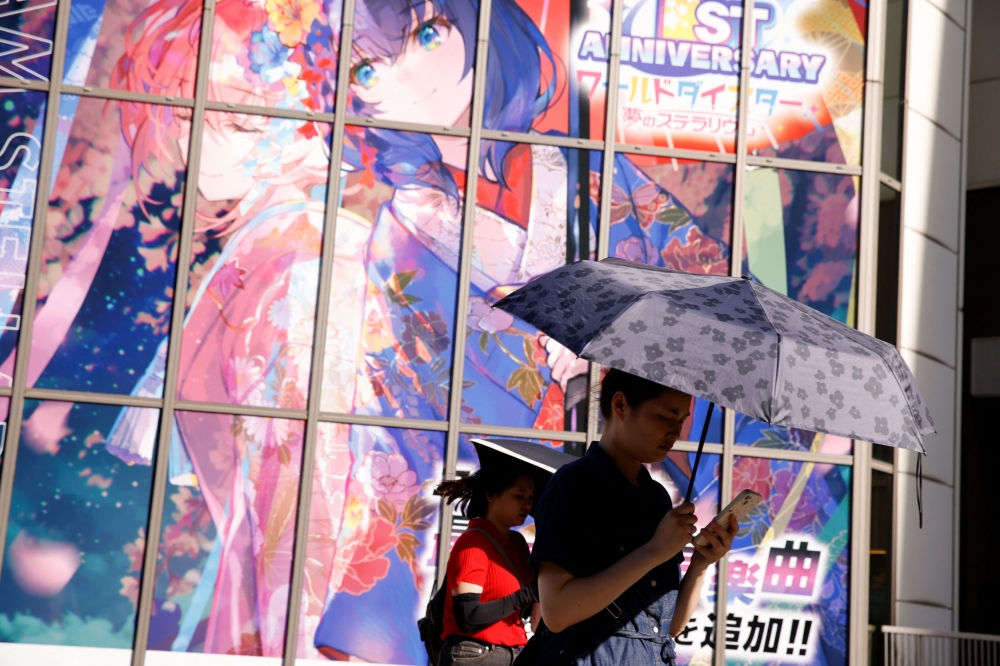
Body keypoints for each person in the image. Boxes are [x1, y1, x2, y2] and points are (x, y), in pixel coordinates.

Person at [522, 369, 738, 666]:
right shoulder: (573, 484)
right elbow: (557, 613)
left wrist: (700, 564)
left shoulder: (657, 498)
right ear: (621, 405)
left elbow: (666, 626)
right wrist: (653, 552)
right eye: (665, 416)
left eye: (682, 420)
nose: (675, 432)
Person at [433, 459, 541, 666]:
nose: (527, 504)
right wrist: (525, 595)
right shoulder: (473, 542)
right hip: (473, 654)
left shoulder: (518, 543)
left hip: (511, 654)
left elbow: (516, 607)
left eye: (531, 497)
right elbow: (468, 616)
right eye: (519, 496)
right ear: (491, 494)